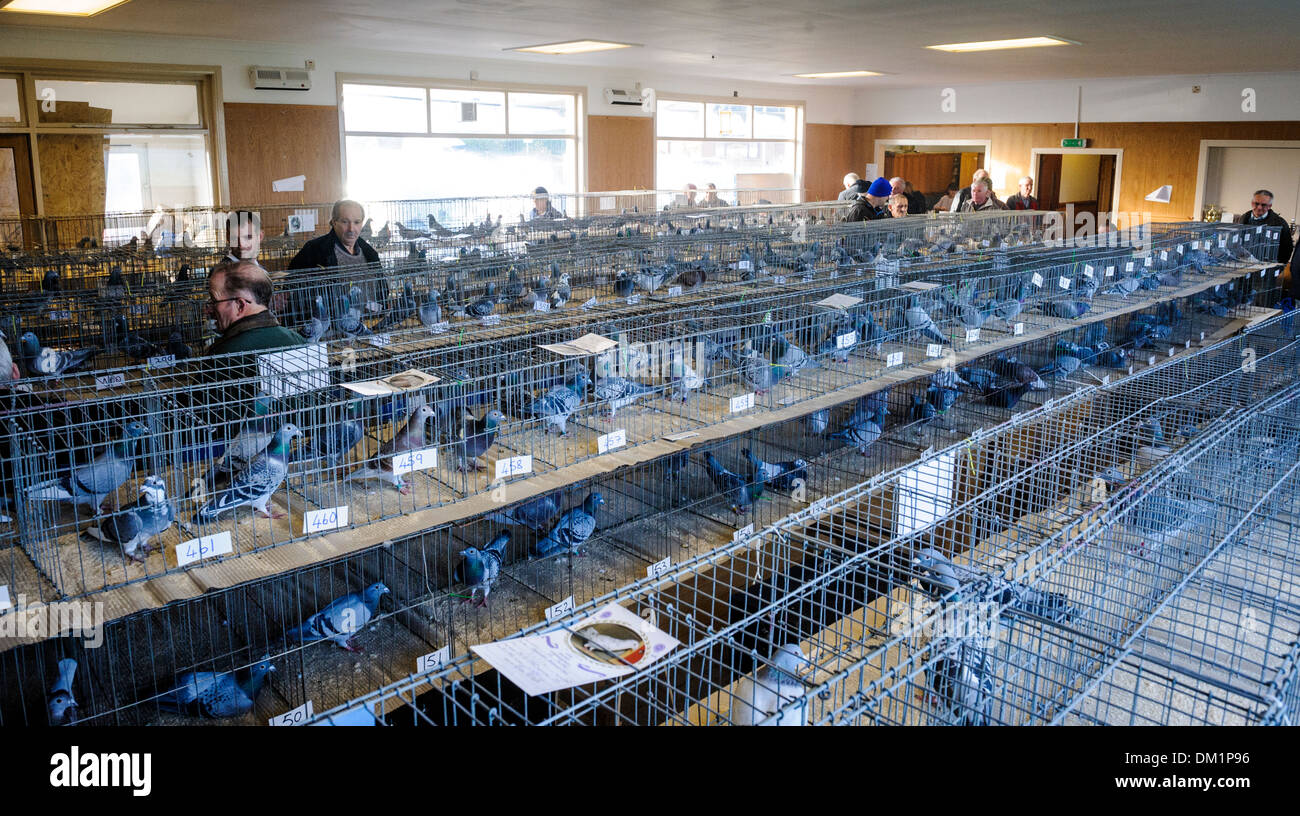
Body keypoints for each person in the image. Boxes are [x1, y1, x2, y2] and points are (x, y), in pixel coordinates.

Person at [205, 259, 305, 356]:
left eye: (214, 301)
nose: (208, 310)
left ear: (240, 305)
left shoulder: (221, 355)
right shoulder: (300, 342)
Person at [287, 200, 379, 270]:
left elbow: (383, 288)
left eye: (357, 222)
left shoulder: (370, 253)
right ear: (334, 222)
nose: (351, 229)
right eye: (345, 222)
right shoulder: (313, 250)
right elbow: (291, 284)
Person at [1235, 189, 1295, 284]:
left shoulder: (1279, 223)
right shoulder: (1243, 219)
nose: (1259, 207)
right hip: (1244, 270)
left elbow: (1287, 248)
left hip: (1267, 272)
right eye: (1256, 203)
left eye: (1263, 205)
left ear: (1270, 206)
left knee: (1261, 296)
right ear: (1252, 203)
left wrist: (1277, 268)